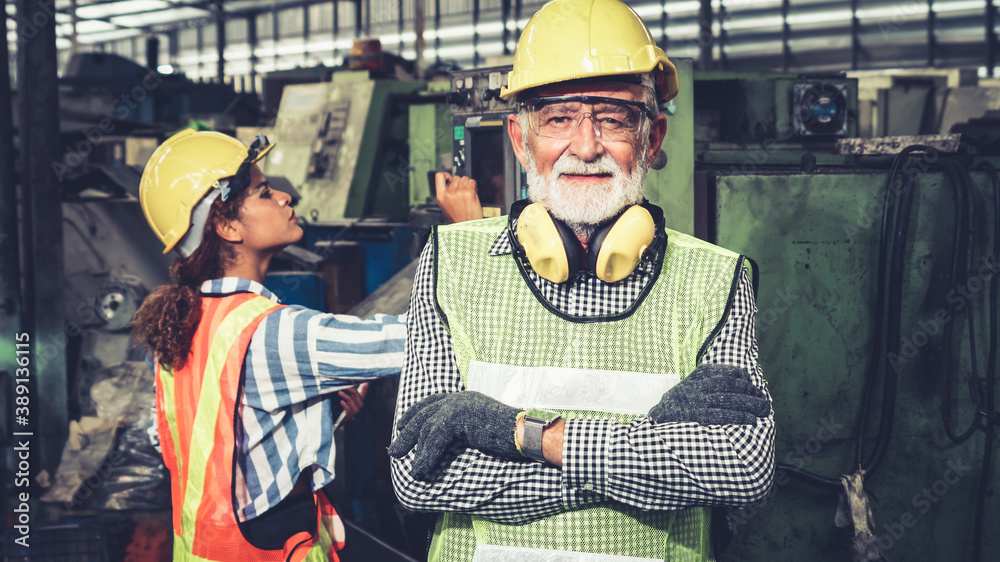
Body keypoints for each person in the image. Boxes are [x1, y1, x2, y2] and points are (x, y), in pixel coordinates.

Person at [387, 1, 775, 561]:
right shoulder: (452, 261)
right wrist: (648, 443)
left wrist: (530, 436)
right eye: (559, 117)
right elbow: (419, 478)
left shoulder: (713, 279)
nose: (587, 146)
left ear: (653, 137)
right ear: (522, 140)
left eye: (614, 118)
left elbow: (740, 469)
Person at [132, 129, 407, 561]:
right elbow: (408, 342)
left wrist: (310, 413)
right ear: (225, 225)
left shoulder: (185, 322)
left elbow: (198, 438)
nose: (283, 196)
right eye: (263, 192)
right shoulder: (269, 331)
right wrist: (467, 230)